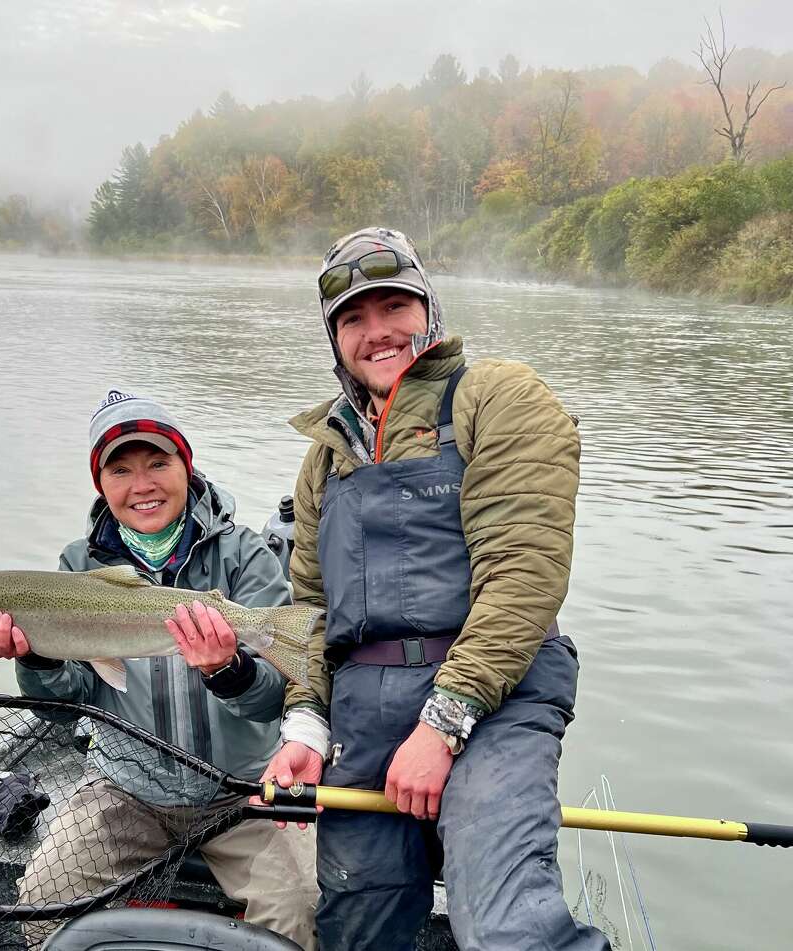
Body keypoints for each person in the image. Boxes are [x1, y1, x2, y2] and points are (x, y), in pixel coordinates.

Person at [261, 227, 609, 951]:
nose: (376, 330)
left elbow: (524, 575)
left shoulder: (498, 397)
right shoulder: (324, 457)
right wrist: (304, 727)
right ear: (334, 340)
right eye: (352, 318)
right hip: (364, 714)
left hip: (497, 705)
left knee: (507, 926)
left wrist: (442, 725)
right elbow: (308, 614)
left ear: (430, 309)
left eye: (394, 305)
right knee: (356, 927)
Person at [0, 390, 319, 950]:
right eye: (122, 470)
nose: (143, 484)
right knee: (40, 903)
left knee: (301, 912)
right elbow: (67, 707)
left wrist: (227, 670)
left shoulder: (244, 556)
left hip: (243, 791)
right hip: (125, 789)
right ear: (100, 484)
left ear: (187, 467)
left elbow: (274, 701)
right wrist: (35, 658)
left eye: (159, 462)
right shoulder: (76, 567)